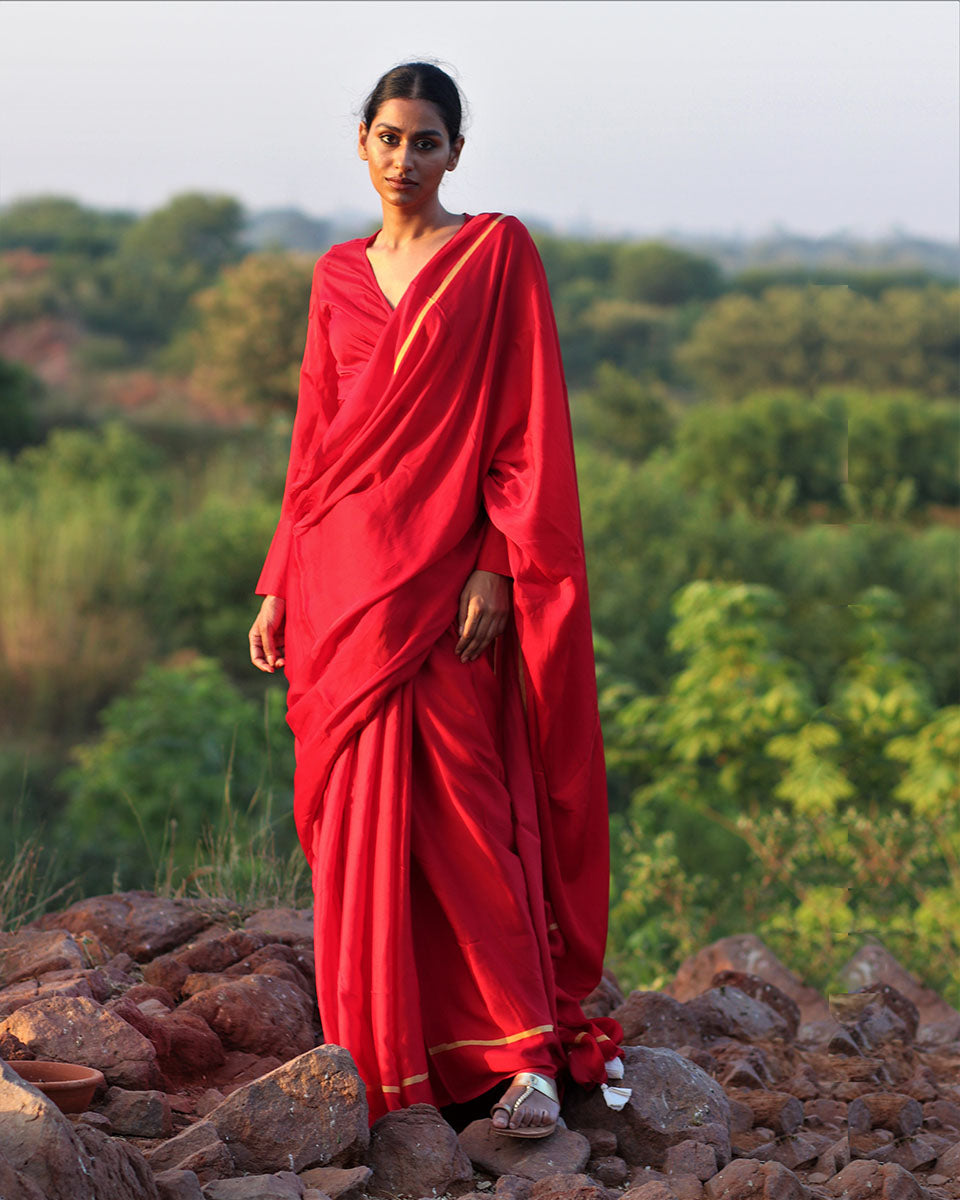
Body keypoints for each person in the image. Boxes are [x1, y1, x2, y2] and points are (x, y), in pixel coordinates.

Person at [249, 61, 629, 1136]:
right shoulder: (334, 276)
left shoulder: (494, 256)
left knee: (468, 814)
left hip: (446, 585)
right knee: (359, 826)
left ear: (457, 152)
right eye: (388, 138)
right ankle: (385, 1062)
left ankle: (522, 1063)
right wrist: (280, 577)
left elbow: (527, 425)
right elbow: (314, 445)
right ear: (359, 144)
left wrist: (498, 567)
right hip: (338, 587)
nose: (405, 159)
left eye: (426, 141)